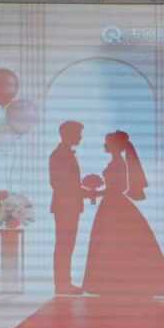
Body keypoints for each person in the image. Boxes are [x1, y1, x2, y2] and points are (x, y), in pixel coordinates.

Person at [79, 130, 164, 297]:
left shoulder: (119, 163)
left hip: (114, 205)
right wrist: (96, 192)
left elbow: (119, 187)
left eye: (107, 142)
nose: (105, 145)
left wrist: (95, 193)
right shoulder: (116, 162)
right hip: (112, 205)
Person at [49, 120, 92, 295]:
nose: (80, 137)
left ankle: (64, 283)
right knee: (64, 245)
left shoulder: (65, 153)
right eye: (78, 134)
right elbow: (60, 184)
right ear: (68, 134)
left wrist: (84, 192)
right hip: (65, 207)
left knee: (67, 245)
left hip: (69, 206)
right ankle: (62, 284)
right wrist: (85, 192)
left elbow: (69, 184)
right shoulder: (59, 155)